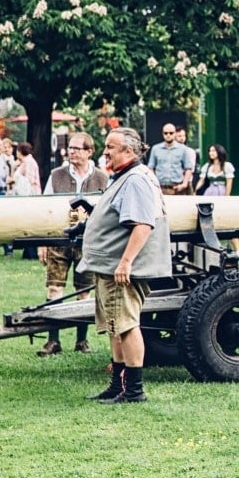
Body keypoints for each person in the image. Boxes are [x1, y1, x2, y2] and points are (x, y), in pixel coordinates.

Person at [78, 128, 172, 403]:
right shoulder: (127, 177)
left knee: (127, 325)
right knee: (115, 326)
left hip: (121, 270)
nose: (105, 151)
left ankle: (133, 390)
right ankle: (118, 385)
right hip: (110, 268)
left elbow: (143, 224)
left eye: (110, 147)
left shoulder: (135, 180)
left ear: (128, 152)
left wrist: (125, 262)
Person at [36, 133, 109, 356]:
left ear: (89, 151)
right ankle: (53, 340)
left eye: (77, 148)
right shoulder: (56, 175)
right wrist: (43, 241)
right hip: (59, 239)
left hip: (87, 242)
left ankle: (81, 341)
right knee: (54, 287)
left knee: (84, 291)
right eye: (71, 148)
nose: (72, 152)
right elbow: (45, 208)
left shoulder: (102, 178)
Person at [195, 143, 239, 258]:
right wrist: (196, 190)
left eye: (213, 151)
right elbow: (202, 180)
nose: (211, 153)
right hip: (210, 193)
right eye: (210, 151)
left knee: (227, 219)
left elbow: (229, 182)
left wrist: (226, 196)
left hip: (221, 192)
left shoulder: (227, 166)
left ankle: (237, 249)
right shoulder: (207, 167)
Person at [147, 123, 195, 195]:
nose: (168, 135)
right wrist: (154, 183)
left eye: (171, 133)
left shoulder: (183, 149)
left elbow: (188, 168)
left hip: (177, 187)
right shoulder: (155, 149)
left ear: (175, 133)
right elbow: (151, 167)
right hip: (160, 188)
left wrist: (184, 184)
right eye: (165, 133)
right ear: (162, 134)